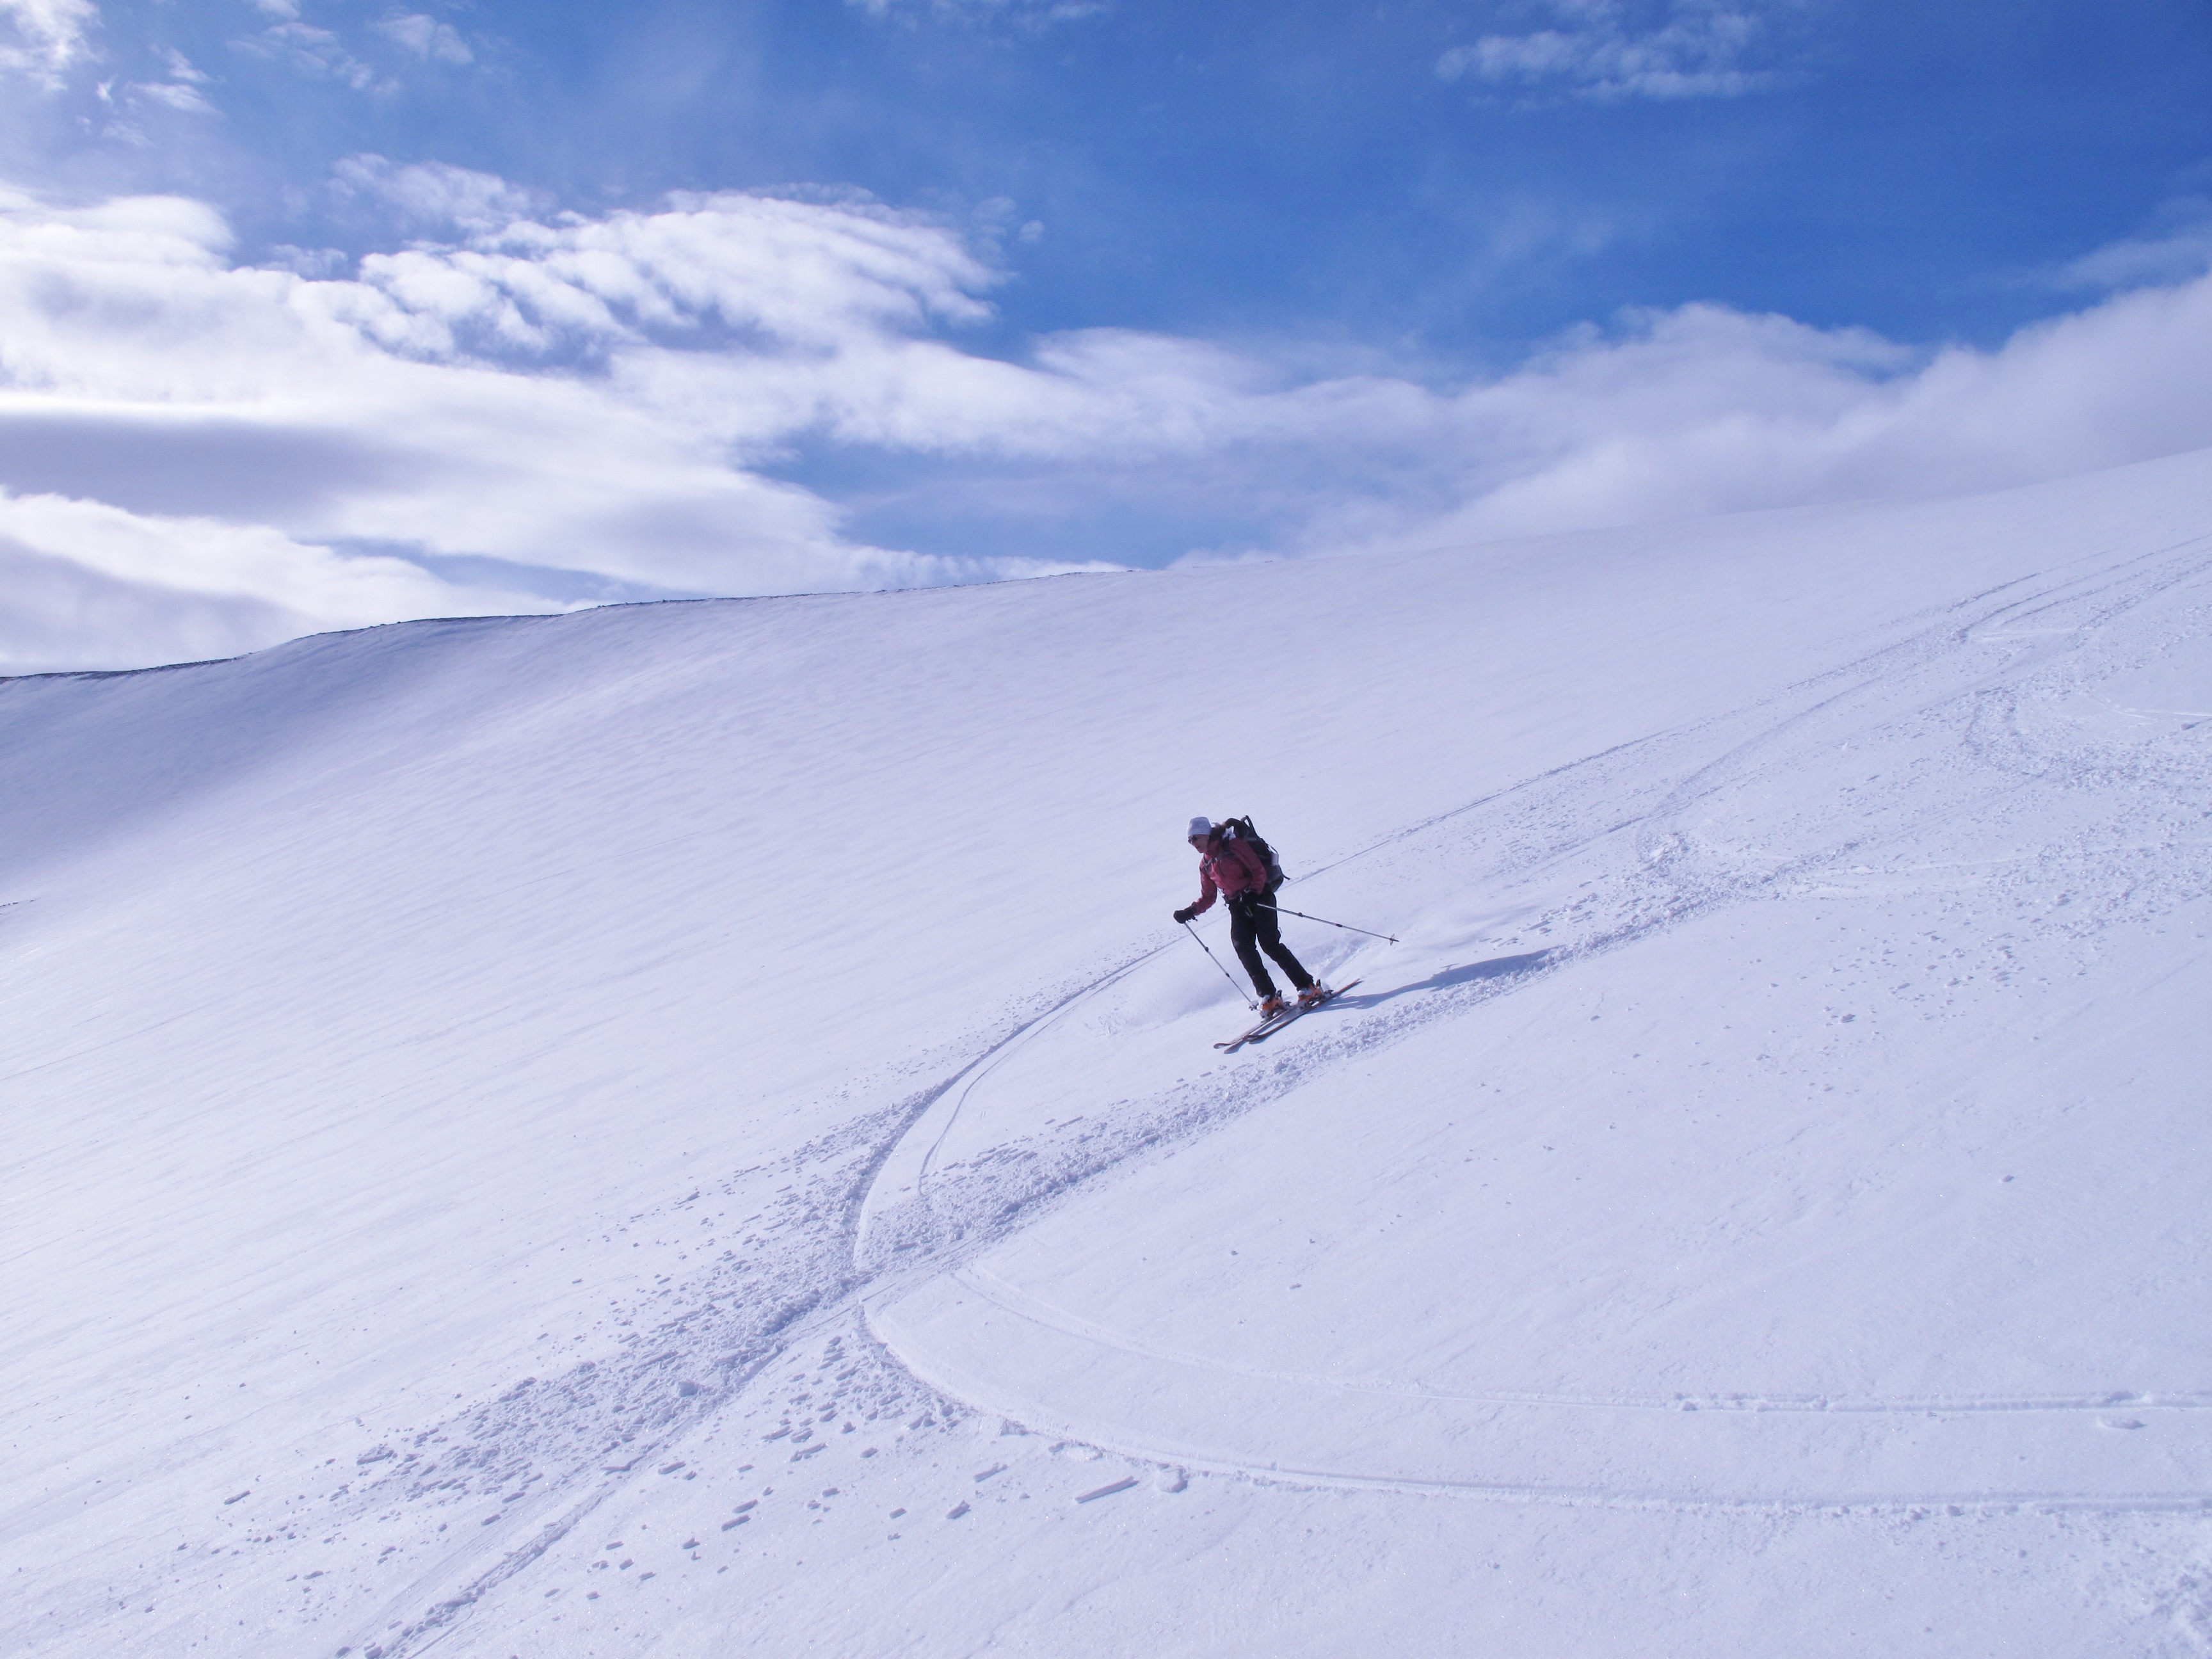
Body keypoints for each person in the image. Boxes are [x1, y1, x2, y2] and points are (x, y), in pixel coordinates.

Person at [1174, 815, 1326, 1017]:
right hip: (1237, 906)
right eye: (1190, 841)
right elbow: (1208, 897)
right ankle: (1268, 996)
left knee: (1270, 944)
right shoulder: (1206, 864)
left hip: (1259, 897)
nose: (1193, 844)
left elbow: (1258, 870)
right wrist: (1190, 912)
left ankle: (1307, 986)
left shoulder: (1233, 846)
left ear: (1206, 833)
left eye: (1195, 838)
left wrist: (1253, 893)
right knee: (1243, 947)